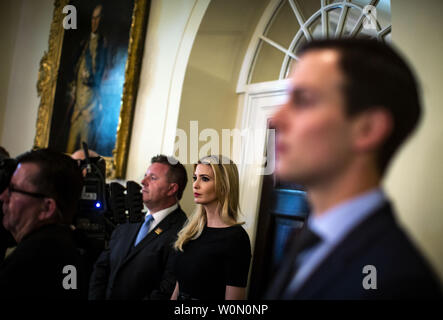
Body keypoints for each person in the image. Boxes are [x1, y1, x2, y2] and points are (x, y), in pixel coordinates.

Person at [267, 38, 442, 299]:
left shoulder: (399, 284)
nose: (276, 118)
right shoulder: (308, 239)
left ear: (367, 129)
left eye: (303, 100)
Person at [89, 155, 188, 299]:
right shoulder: (129, 221)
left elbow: (166, 289)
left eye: (153, 178)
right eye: (145, 176)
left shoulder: (184, 231)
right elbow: (101, 268)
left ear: (171, 189)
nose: (143, 182)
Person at [0, 148, 86, 299]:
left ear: (47, 207)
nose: (3, 197)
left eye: (14, 189)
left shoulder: (30, 261)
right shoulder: (69, 246)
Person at [171, 155, 251, 300]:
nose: (195, 185)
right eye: (195, 178)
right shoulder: (192, 230)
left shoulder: (236, 238)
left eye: (205, 179)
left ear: (223, 185)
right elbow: (179, 285)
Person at [66, 3, 107, 154]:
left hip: (90, 111)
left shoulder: (103, 45)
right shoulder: (83, 44)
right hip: (77, 109)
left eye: (98, 18)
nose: (95, 22)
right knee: (69, 151)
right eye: (93, 18)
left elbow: (101, 76)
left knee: (84, 156)